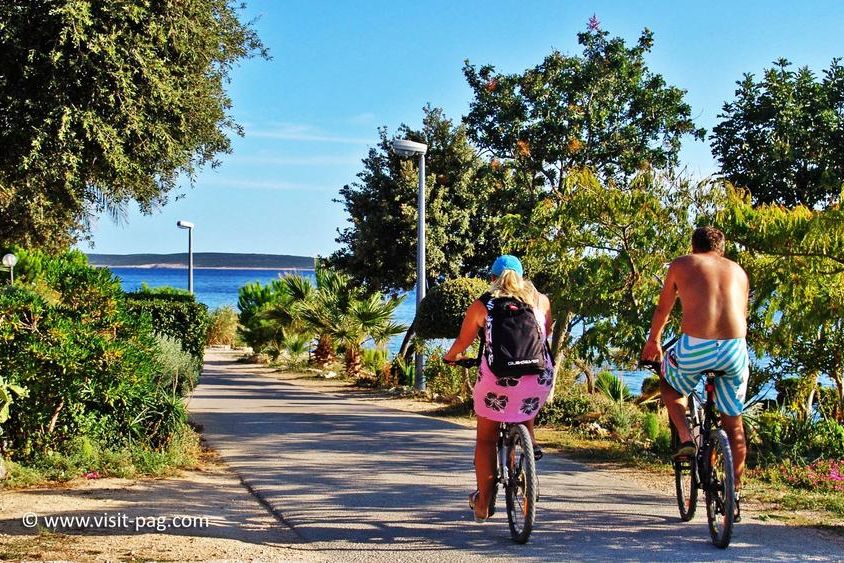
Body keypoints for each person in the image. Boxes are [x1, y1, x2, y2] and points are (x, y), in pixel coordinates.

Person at [640, 226, 749, 520]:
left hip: (695, 346)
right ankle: (734, 495)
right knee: (734, 425)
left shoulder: (682, 264)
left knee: (669, 384)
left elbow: (663, 309)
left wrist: (653, 342)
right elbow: (741, 314)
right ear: (721, 249)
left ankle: (687, 437)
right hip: (734, 349)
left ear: (693, 246)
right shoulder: (739, 271)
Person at [443, 254, 554, 523]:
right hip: (538, 379)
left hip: (498, 382)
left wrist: (451, 357)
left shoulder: (483, 304)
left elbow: (463, 341)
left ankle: (482, 504)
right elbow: (546, 333)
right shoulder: (540, 300)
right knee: (524, 406)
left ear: (492, 278)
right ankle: (528, 447)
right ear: (522, 277)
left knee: (486, 439)